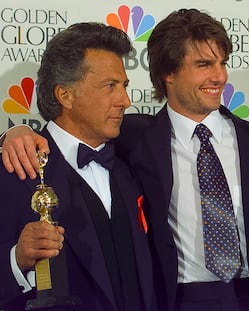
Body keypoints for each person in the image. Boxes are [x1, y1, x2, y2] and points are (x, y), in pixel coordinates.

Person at [1, 9, 249, 311]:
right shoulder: (133, 138)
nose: (219, 75)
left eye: (222, 62)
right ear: (168, 73)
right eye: (204, 64)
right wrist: (13, 134)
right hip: (175, 301)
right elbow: (72, 133)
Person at [0, 23, 155, 311]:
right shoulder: (13, 170)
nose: (125, 101)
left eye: (124, 86)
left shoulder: (132, 159)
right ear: (65, 95)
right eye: (110, 86)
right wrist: (17, 259)